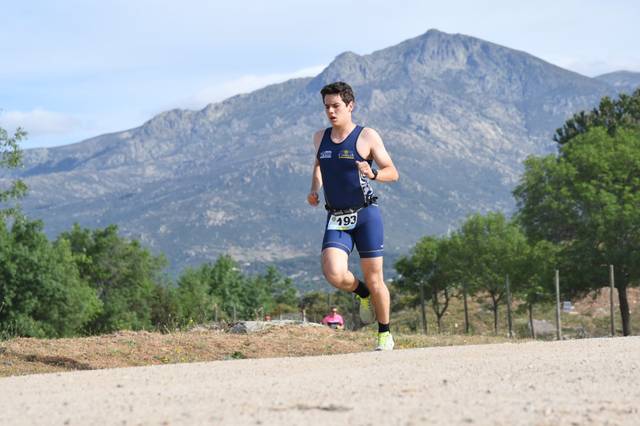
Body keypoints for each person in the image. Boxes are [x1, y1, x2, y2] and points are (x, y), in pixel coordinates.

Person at [307, 81, 399, 351]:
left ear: (350, 106)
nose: (331, 112)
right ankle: (362, 294)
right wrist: (314, 189)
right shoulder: (319, 138)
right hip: (336, 217)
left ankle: (384, 332)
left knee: (375, 278)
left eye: (336, 106)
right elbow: (319, 167)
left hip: (366, 216)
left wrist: (373, 174)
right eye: (326, 107)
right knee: (334, 273)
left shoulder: (367, 136)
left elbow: (392, 171)